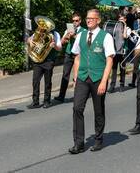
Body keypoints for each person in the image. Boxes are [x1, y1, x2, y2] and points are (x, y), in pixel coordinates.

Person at [69, 9, 115, 154]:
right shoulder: (81, 35)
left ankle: (98, 139)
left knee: (99, 110)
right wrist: (75, 76)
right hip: (83, 77)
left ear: (98, 20)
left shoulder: (106, 36)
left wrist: (104, 81)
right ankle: (79, 143)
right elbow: (76, 56)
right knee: (77, 108)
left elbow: (109, 60)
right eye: (87, 18)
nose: (88, 20)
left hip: (98, 78)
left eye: (91, 18)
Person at [27, 17, 62, 109]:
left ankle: (47, 101)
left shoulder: (55, 34)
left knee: (47, 82)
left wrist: (54, 46)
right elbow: (29, 40)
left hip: (49, 61)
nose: (44, 27)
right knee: (35, 81)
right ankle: (35, 101)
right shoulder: (38, 32)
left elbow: (60, 48)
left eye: (46, 26)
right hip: (37, 60)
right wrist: (29, 41)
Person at [54, 13, 85, 103]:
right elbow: (61, 42)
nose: (75, 22)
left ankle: (79, 95)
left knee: (78, 76)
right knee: (65, 75)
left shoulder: (84, 31)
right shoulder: (68, 29)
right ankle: (61, 96)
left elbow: (83, 42)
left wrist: (74, 36)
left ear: (80, 21)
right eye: (73, 21)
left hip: (78, 55)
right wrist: (66, 36)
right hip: (68, 54)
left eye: (76, 20)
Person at [108, 14, 131, 93]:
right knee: (114, 69)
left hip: (123, 51)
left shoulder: (128, 29)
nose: (120, 21)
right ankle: (112, 85)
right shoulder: (116, 27)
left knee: (122, 69)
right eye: (119, 19)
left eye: (122, 19)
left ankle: (122, 84)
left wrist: (124, 25)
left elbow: (124, 36)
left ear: (125, 20)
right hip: (116, 51)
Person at [128, 19, 140, 88]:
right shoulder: (138, 31)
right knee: (135, 67)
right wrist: (131, 34)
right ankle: (133, 82)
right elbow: (134, 40)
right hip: (136, 50)